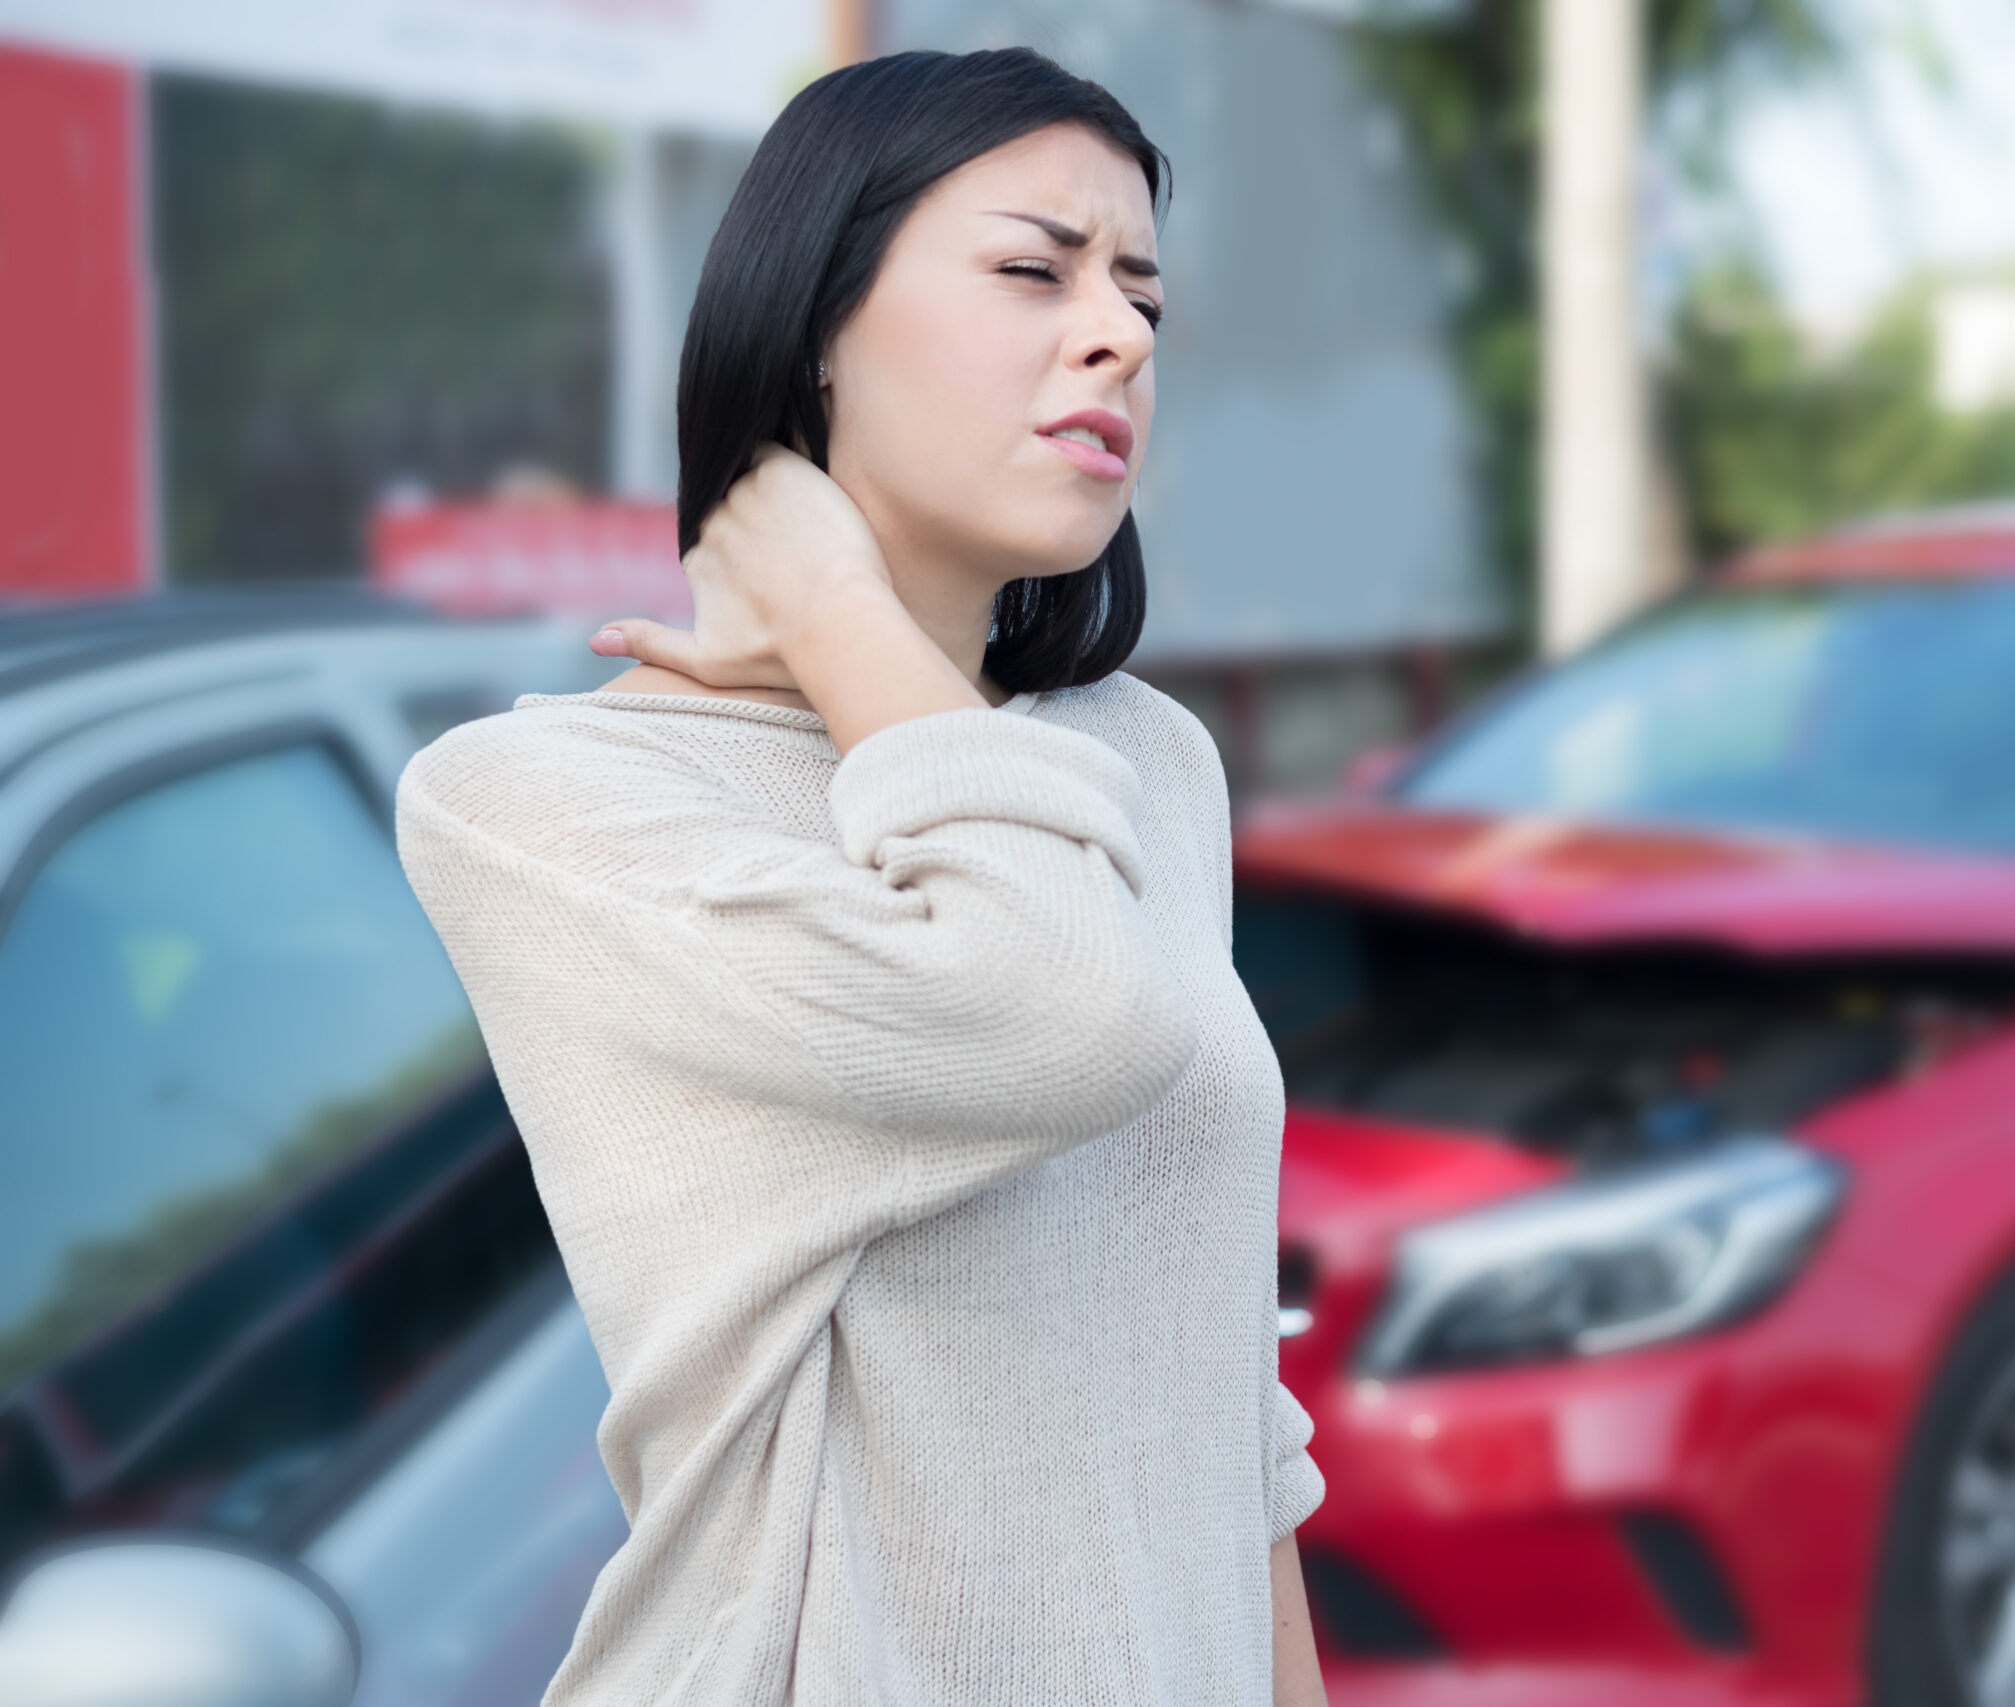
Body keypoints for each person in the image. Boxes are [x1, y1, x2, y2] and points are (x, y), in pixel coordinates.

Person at [397, 48, 1326, 1706]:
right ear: (816, 323)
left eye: (1141, 295)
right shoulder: (535, 803)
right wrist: (834, 615)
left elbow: (1221, 1409)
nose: (1115, 331)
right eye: (1035, 270)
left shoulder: (1145, 764)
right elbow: (1053, 1015)